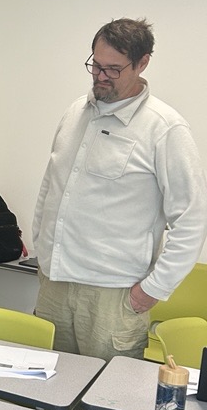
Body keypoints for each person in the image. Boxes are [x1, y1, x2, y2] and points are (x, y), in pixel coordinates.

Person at [33, 18, 207, 361]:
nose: (100, 76)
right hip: (55, 283)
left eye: (113, 69)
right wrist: (41, 249)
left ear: (142, 64)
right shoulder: (74, 113)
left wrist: (152, 290)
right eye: (95, 65)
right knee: (46, 396)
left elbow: (192, 220)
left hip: (114, 296)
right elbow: (51, 187)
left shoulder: (165, 128)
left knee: (107, 404)